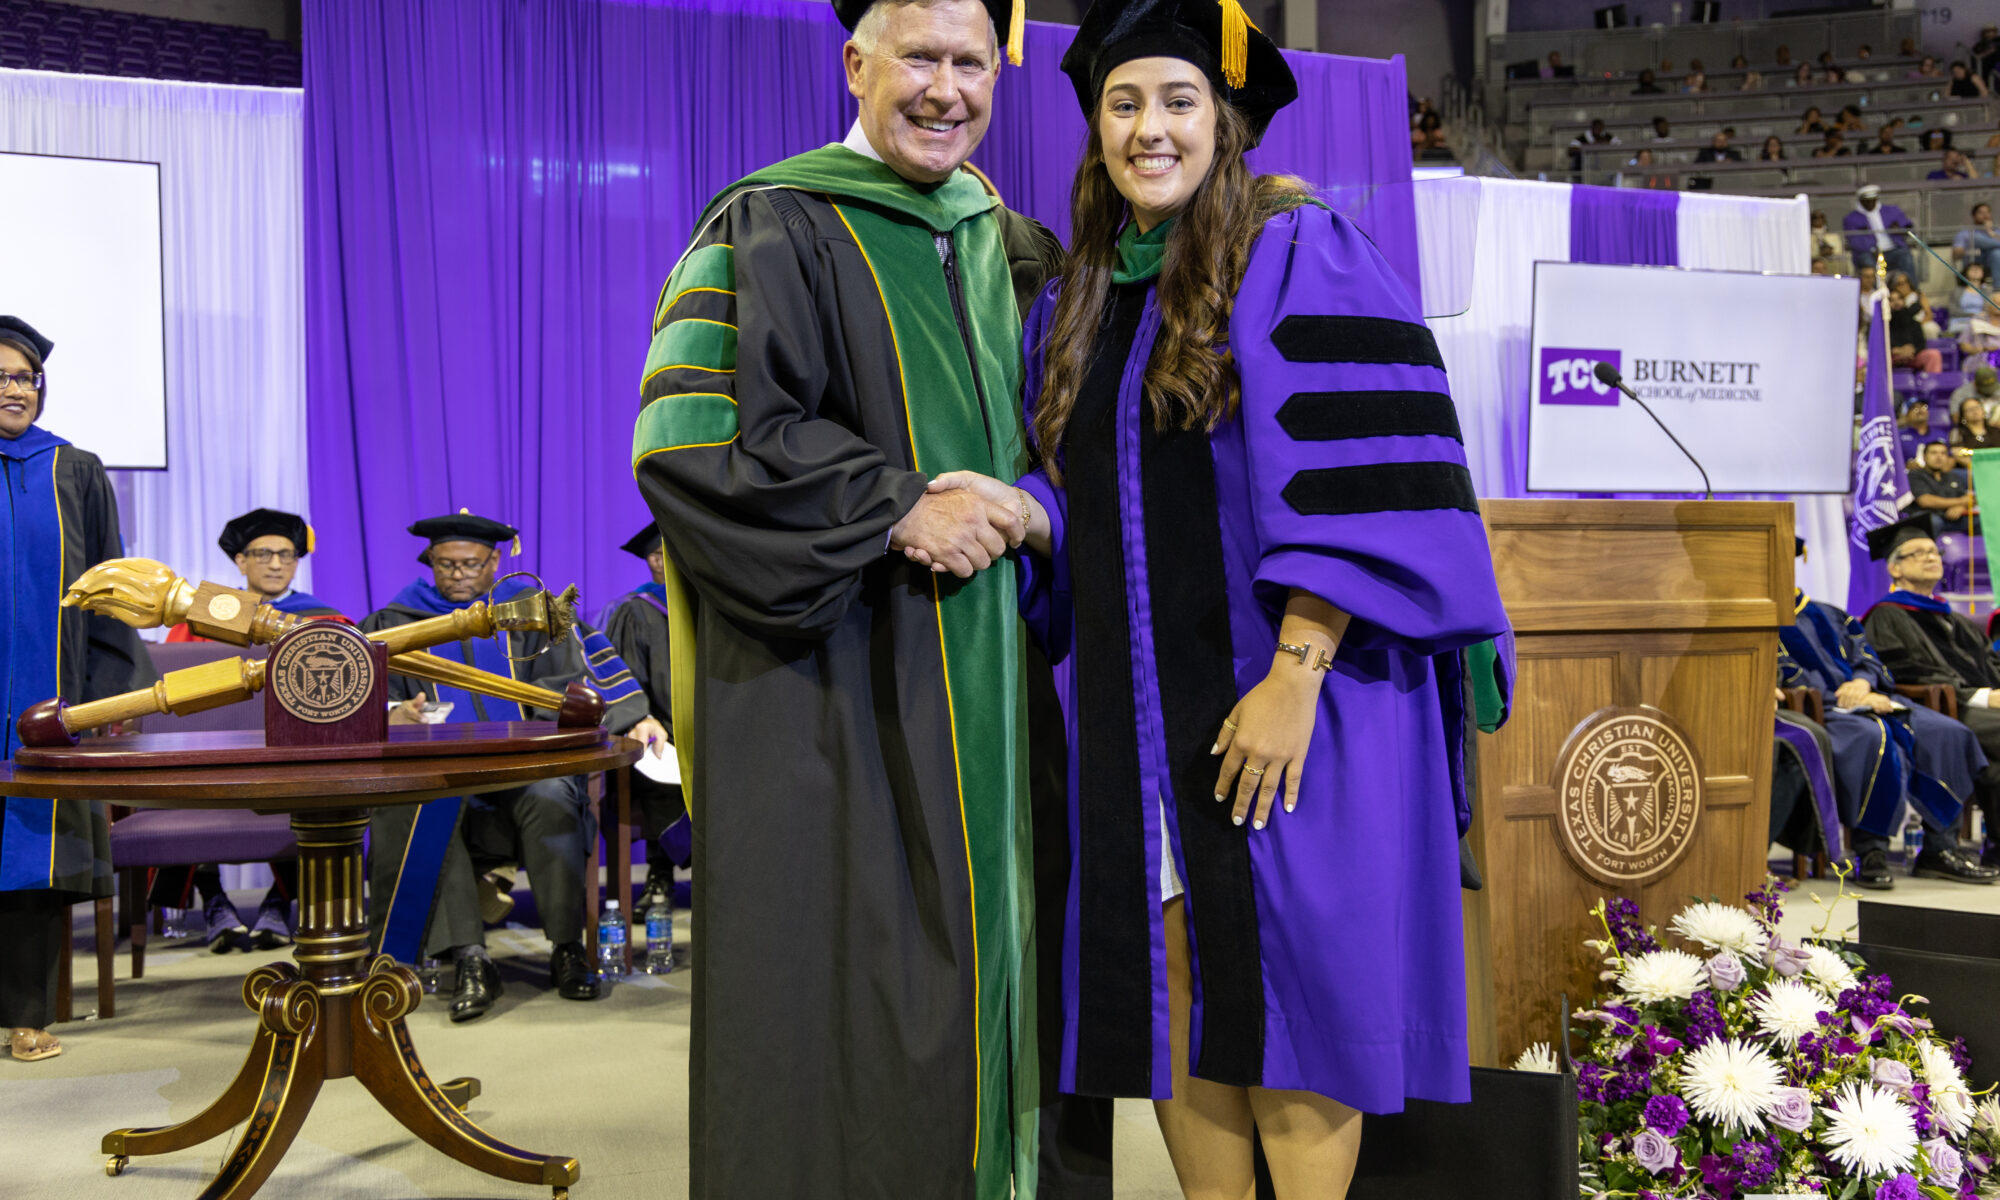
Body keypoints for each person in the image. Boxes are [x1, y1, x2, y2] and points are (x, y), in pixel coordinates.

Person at [926, 3, 1512, 1195]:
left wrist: (1294, 676)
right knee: (1180, 972)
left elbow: (1370, 480)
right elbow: (1110, 503)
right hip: (1143, 710)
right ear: (1094, 126)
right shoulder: (1080, 300)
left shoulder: (1296, 247)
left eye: (1176, 101)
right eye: (1123, 103)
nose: (1150, 129)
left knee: (1295, 988)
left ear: (1223, 119)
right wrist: (1023, 510)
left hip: (1302, 693)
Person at [630, 0, 1064, 1193]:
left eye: (969, 63)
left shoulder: (1020, 249)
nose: (944, 90)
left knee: (1014, 994)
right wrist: (890, 504)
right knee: (846, 1002)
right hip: (838, 693)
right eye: (917, 58)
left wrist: (1036, 511)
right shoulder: (769, 223)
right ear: (855, 65)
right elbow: (691, 441)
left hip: (1003, 700)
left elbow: (1092, 455)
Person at [363, 512, 661, 1021]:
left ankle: (567, 949)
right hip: (441, 775)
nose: (458, 574)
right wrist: (399, 713)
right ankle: (471, 959)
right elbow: (368, 697)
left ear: (495, 561)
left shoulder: (528, 616)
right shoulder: (395, 622)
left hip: (527, 770)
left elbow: (577, 679)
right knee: (426, 811)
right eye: (446, 564)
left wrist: (631, 714)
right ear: (429, 561)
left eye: (471, 564)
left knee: (553, 801)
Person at [0, 316, 156, 1062]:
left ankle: (26, 1015)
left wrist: (107, 699)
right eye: (0, 377)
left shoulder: (75, 468)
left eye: (24, 377)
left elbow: (110, 587)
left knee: (30, 858)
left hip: (42, 699)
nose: (14, 390)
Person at [151, 507, 341, 952]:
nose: (276, 564)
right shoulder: (205, 615)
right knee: (190, 781)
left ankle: (279, 904)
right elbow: (170, 688)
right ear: (240, 561)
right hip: (215, 749)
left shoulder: (324, 619)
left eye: (287, 555)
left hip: (297, 751)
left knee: (324, 789)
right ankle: (214, 899)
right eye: (263, 554)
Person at [1782, 551, 1991, 889]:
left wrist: (1864, 682)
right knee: (1874, 738)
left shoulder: (1832, 613)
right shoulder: (1764, 621)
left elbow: (1868, 657)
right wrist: (1850, 697)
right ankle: (1871, 851)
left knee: (1948, 732)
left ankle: (1940, 849)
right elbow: (1789, 677)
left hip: (1874, 698)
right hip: (1825, 710)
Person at [1863, 515, 2000, 875]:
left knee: (1996, 766)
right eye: (1917, 553)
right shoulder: (1886, 616)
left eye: (1933, 551)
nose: (1931, 557)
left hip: (1977, 709)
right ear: (1895, 569)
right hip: (1942, 710)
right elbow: (1906, 674)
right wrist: (1984, 697)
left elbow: (1989, 663)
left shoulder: (1951, 618)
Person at [597, 522, 686, 917]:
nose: (663, 560)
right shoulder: (636, 611)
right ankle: (660, 875)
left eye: (671, 550)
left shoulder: (711, 605)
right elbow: (628, 684)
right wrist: (647, 718)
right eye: (655, 554)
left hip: (709, 730)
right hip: (655, 728)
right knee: (658, 761)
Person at [1847, 184, 1917, 278]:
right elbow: (1854, 242)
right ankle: (1875, 291)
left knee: (1905, 255)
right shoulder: (1851, 218)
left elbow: (1908, 228)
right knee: (1867, 261)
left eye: (1873, 200)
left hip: (1892, 249)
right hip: (1869, 253)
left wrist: (1899, 229)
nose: (1870, 203)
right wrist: (1872, 249)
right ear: (1860, 200)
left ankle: (1912, 290)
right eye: (1867, 201)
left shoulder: (1892, 210)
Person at [1886, 271, 1943, 373]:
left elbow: (1921, 344)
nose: (1896, 302)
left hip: (1912, 356)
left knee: (1934, 355)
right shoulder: (1884, 324)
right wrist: (1896, 351)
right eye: (1892, 300)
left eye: (1899, 299)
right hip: (1891, 357)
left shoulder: (1913, 322)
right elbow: (1880, 345)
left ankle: (1931, 386)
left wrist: (1912, 350)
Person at [1953, 201, 2000, 281]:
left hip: (1994, 264)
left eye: (1987, 212)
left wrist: (1990, 232)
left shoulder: (1996, 232)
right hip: (1974, 264)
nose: (1985, 216)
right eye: (1981, 213)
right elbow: (1956, 254)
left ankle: (1998, 289)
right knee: (1976, 238)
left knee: (1996, 253)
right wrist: (1968, 249)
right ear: (1974, 216)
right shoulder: (1965, 233)